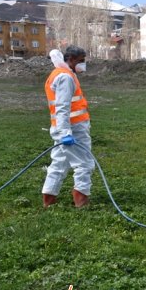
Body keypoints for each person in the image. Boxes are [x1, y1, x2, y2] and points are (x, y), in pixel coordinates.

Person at [41, 46, 94, 208]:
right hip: (72, 130)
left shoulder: (59, 74)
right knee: (84, 163)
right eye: (81, 61)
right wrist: (65, 133)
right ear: (70, 60)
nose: (83, 64)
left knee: (59, 163)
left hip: (62, 128)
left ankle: (49, 200)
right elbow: (62, 107)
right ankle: (81, 200)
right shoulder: (65, 77)